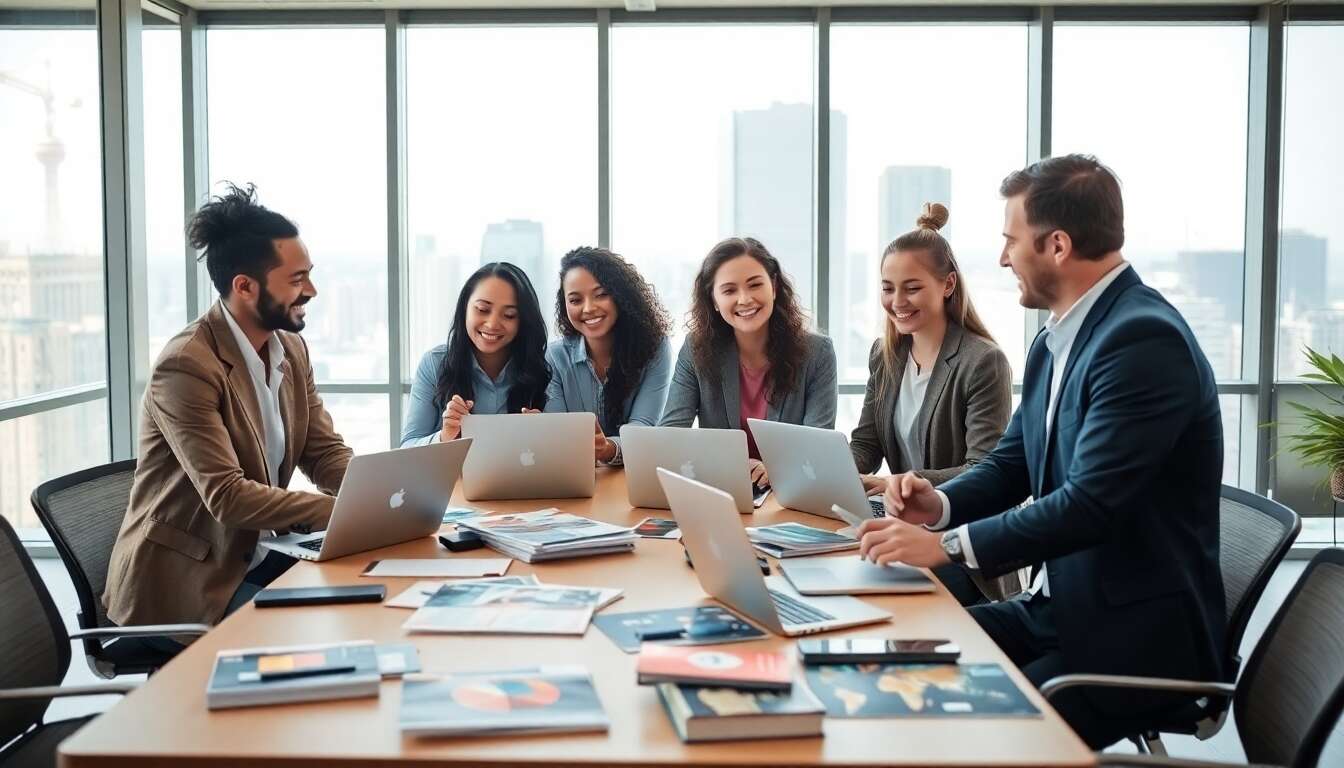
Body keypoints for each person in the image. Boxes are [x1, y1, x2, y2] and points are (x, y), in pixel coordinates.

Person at [856, 155, 1226, 749]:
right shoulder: (1058, 340)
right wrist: (939, 504)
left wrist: (946, 546)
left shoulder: (1142, 340)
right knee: (899, 662)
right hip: (1056, 611)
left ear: (1056, 245)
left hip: (1131, 640)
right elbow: (1013, 464)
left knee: (968, 728)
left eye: (1011, 240)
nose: (1003, 258)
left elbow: (1089, 506)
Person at [104, 183, 354, 633]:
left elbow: (323, 452)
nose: (311, 290)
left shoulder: (290, 350)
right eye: (296, 279)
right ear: (245, 286)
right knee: (324, 627)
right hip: (190, 584)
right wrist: (340, 510)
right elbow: (227, 496)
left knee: (365, 594)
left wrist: (377, 494)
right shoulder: (186, 365)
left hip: (263, 553)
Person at [849, 202, 1018, 607]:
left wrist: (900, 481)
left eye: (912, 287)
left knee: (873, 593)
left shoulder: (983, 362)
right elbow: (866, 448)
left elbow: (985, 470)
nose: (897, 301)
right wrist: (823, 468)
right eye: (888, 288)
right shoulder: (885, 354)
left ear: (947, 285)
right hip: (899, 525)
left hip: (960, 552)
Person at [659, 237, 837, 487]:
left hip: (791, 491)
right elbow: (670, 436)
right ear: (714, 301)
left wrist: (775, 467)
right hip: (722, 488)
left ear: (773, 287)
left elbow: (818, 444)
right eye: (729, 290)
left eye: (755, 285)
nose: (744, 299)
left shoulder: (818, 352)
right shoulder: (695, 349)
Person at [543, 246, 673, 464]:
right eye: (575, 300)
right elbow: (560, 435)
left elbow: (644, 426)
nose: (588, 308)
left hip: (636, 475)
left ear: (621, 297)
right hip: (576, 477)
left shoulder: (655, 348)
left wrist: (608, 449)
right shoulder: (555, 357)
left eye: (601, 294)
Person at [402, 262, 551, 447]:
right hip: (457, 477)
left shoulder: (541, 367)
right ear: (465, 307)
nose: (492, 324)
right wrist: (445, 436)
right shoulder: (435, 363)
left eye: (509, 315)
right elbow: (408, 445)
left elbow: (562, 453)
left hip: (520, 477)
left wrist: (545, 436)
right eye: (482, 310)